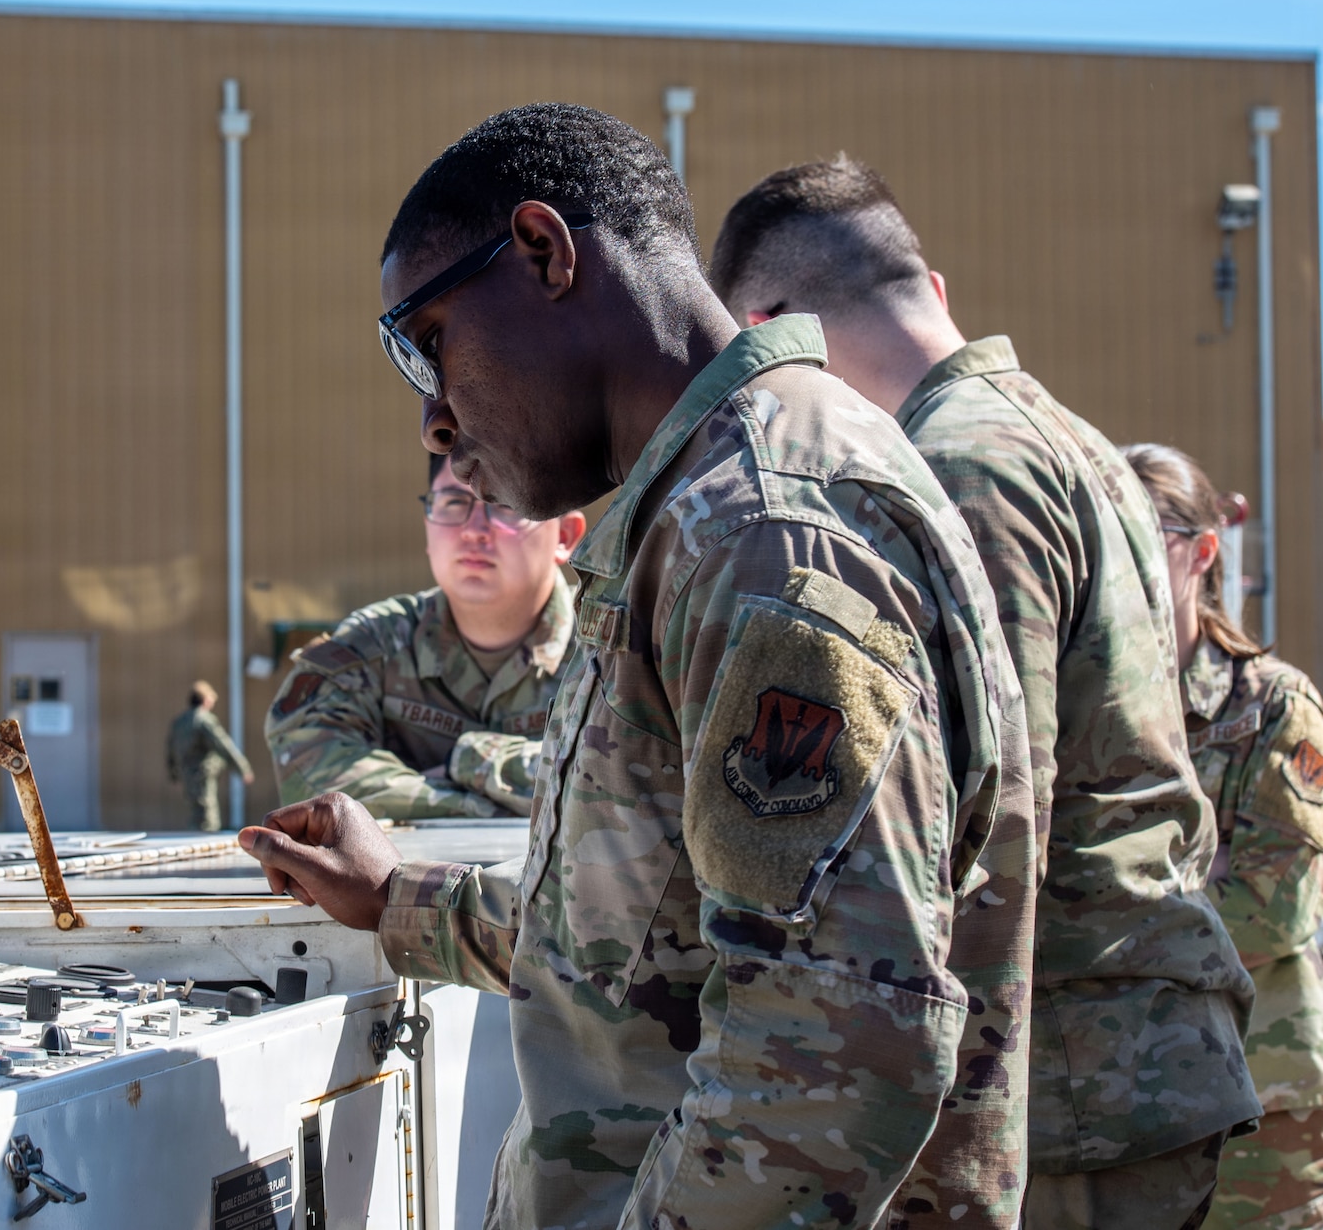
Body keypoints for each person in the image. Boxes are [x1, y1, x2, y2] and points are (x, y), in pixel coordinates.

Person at [239, 104, 1037, 1229]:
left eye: (428, 341)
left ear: (543, 252)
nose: (432, 418)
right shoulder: (701, 518)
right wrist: (400, 905)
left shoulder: (765, 530)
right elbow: (648, 932)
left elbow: (824, 1059)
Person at [707, 157, 1259, 1230]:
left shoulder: (959, 468)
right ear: (934, 293)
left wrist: (953, 1162)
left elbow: (997, 827)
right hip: (1116, 1058)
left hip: (1067, 1094)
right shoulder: (1060, 436)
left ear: (777, 332)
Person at [1128, 443, 1323, 1230]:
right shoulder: (1086, 707)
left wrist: (1118, 917)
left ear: (1203, 551)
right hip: (1125, 1090)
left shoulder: (1273, 706)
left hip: (1259, 1093)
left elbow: (1274, 904)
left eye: (1149, 533)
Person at [263, 453, 584, 819]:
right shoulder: (377, 642)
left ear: (564, 535)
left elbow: (634, 781)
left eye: (506, 503)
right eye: (452, 503)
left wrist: (469, 761)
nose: (474, 529)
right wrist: (477, 805)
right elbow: (310, 772)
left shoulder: (614, 649)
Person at [165, 680, 253, 831]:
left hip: (186, 774)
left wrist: (173, 774)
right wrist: (243, 768)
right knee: (207, 818)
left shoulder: (179, 721)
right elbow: (223, 744)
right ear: (205, 700)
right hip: (202, 774)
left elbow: (170, 749)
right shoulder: (204, 720)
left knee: (196, 811)